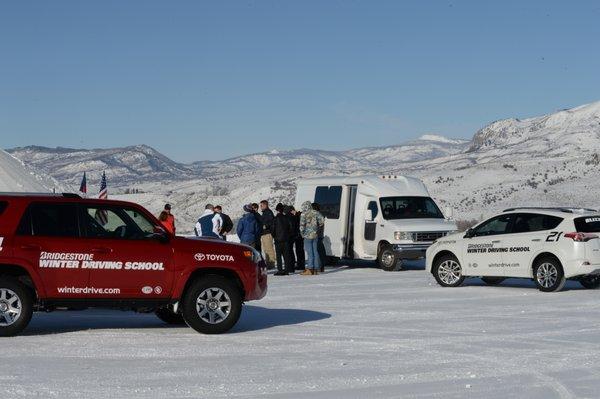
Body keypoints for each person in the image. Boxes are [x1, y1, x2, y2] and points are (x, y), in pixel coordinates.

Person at [299, 201, 325, 275]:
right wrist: (317, 228)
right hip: (315, 235)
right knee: (315, 251)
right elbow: (322, 220)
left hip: (307, 236)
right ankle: (316, 269)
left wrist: (302, 234)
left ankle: (310, 269)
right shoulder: (316, 212)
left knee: (310, 252)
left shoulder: (304, 214)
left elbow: (302, 225)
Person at [271, 203, 294, 275]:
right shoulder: (286, 218)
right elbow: (291, 228)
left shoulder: (275, 219)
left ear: (277, 210)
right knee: (286, 255)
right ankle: (286, 270)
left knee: (278, 256)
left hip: (278, 240)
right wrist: (288, 236)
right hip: (286, 239)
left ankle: (280, 270)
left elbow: (272, 230)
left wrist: (274, 236)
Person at [259, 200, 276, 270]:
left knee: (269, 249)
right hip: (263, 233)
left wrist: (266, 225)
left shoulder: (268, 213)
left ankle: (271, 264)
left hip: (267, 233)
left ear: (265, 205)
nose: (260, 207)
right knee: (265, 249)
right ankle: (268, 263)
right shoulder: (264, 213)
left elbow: (272, 221)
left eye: (261, 205)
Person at [312, 202, 328, 272]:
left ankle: (318, 267)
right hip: (319, 236)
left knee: (317, 252)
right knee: (320, 251)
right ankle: (321, 266)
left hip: (317, 236)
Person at [289, 206, 305, 271]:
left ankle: (301, 265)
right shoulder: (298, 215)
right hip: (299, 235)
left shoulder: (298, 216)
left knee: (299, 250)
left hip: (299, 235)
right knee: (299, 250)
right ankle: (300, 264)